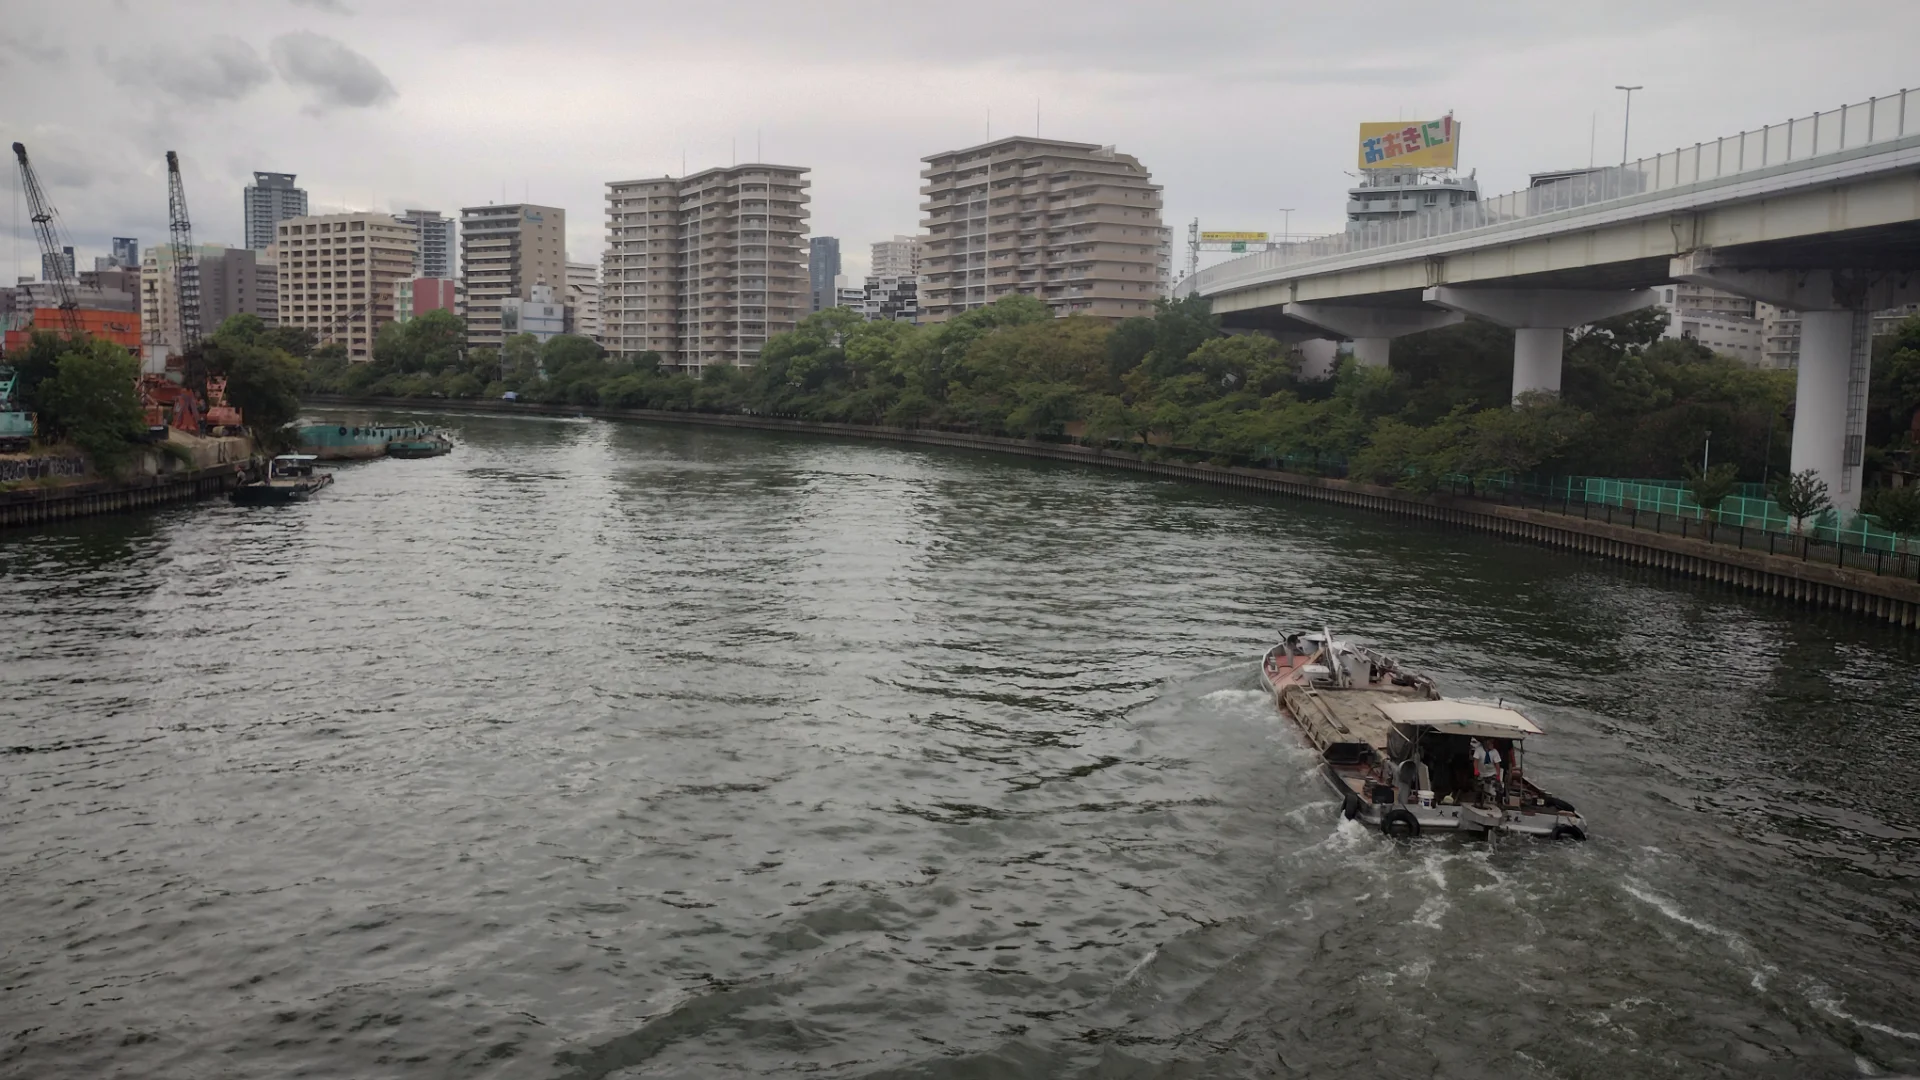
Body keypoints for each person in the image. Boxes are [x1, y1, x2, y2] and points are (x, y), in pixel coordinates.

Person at [1468, 737, 1503, 806]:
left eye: (1492, 743)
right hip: (1481, 773)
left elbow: (1497, 765)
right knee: (1477, 788)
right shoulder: (1479, 750)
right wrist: (1476, 770)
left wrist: (1498, 775)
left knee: (1498, 788)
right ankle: (1477, 801)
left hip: (1492, 773)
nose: (1492, 744)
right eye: (1490, 742)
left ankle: (1499, 803)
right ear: (1486, 743)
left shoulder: (1495, 752)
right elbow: (1476, 761)